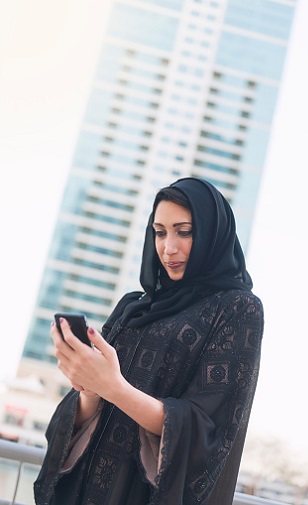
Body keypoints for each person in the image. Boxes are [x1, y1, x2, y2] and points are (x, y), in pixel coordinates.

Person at [34, 177, 264, 505]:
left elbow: (207, 431)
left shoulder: (237, 309)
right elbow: (82, 414)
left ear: (213, 233)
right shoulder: (133, 306)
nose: (168, 247)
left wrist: (114, 388)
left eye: (184, 231)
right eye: (159, 232)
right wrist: (89, 390)